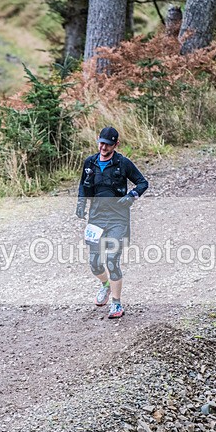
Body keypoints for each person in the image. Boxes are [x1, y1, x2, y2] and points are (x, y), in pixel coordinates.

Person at [76, 126, 149, 318]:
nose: (103, 147)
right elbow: (83, 186)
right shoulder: (90, 162)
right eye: (101, 143)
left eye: (108, 145)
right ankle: (105, 285)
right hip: (96, 217)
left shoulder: (123, 163)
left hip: (118, 217)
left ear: (116, 145)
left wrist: (132, 195)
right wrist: (81, 203)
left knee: (111, 260)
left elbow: (143, 183)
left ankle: (116, 304)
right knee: (94, 262)